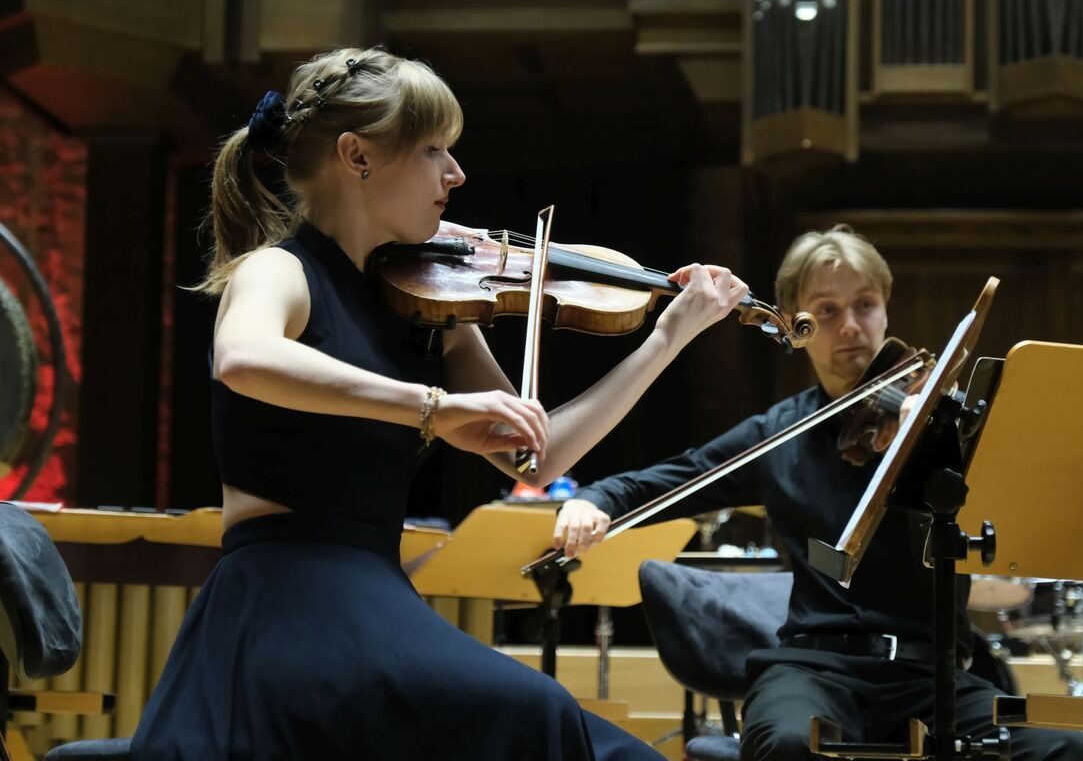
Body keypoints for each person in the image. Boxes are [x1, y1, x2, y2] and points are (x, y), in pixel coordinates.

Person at [129, 46, 749, 760]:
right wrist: (430, 406)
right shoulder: (279, 271)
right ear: (356, 156)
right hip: (284, 601)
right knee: (539, 715)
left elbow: (537, 456)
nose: (455, 175)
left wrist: (668, 336)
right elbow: (245, 358)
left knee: (604, 747)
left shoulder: (430, 308)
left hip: (372, 597)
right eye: (432, 151)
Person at [553, 225, 1083, 761]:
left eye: (865, 304)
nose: (851, 326)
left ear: (885, 307)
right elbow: (668, 479)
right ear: (798, 324)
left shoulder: (944, 421)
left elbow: (1031, 498)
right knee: (787, 742)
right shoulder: (777, 433)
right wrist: (592, 501)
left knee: (1061, 749)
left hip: (936, 674)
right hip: (814, 667)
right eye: (828, 311)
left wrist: (937, 446)